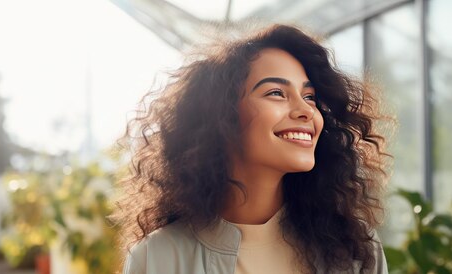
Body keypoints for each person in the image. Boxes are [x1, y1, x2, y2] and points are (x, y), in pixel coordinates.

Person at [114, 24, 391, 274]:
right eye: (276, 93)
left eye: (309, 97)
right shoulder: (157, 258)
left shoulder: (355, 252)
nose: (307, 111)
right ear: (223, 117)